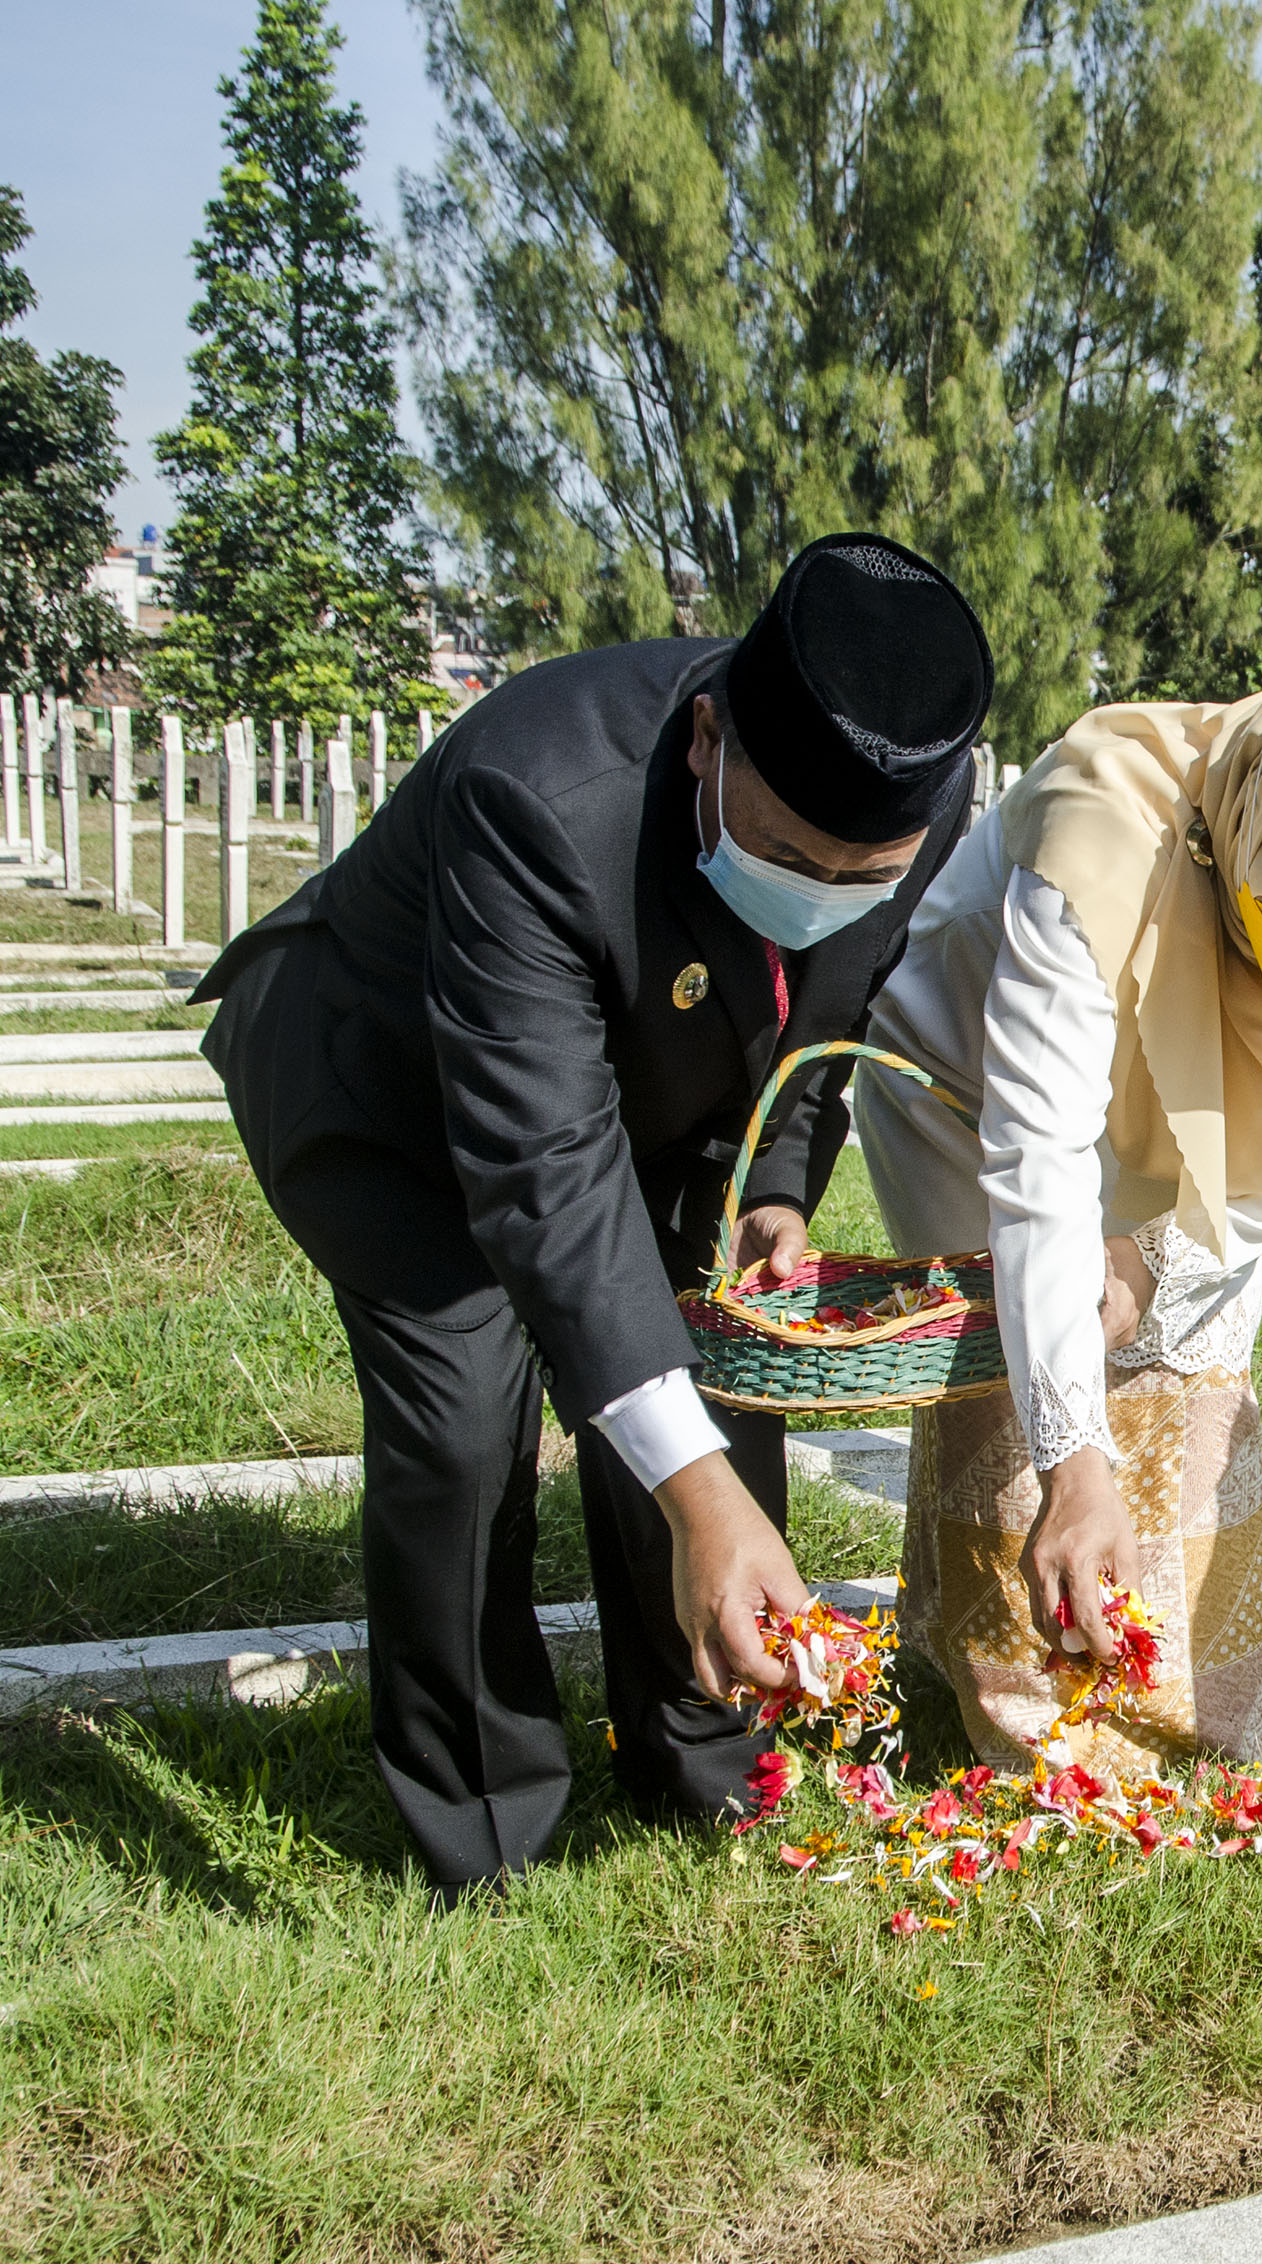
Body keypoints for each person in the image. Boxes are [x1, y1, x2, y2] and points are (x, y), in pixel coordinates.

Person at [195, 534, 993, 1896]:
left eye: (866, 869)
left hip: (643, 1100)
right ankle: (484, 1820)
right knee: (463, 1428)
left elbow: (831, 1013)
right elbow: (544, 1178)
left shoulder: (916, 797)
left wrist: (778, 1185)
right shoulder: (538, 793)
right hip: (393, 1097)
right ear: (703, 743)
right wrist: (696, 1492)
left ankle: (699, 1747)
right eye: (793, 852)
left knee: (716, 1374)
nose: (829, 888)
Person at [855, 670, 1262, 1769]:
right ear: (1244, 834)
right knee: (1015, 1402)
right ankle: (1016, 1711)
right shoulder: (1100, 829)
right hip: (969, 1093)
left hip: (1219, 1126)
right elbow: (1038, 1154)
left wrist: (1163, 1264)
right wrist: (1074, 1461)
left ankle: (1190, 1717)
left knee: (1190, 1385)